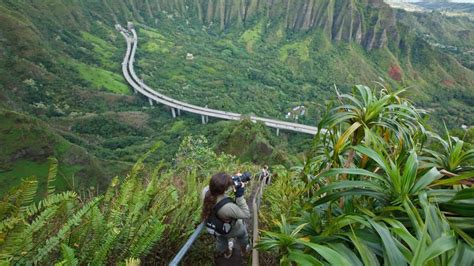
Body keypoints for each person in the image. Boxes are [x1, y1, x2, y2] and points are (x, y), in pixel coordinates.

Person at [201, 172, 250, 259]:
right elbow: (246, 213)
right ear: (224, 189)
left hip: (217, 227)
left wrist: (230, 180)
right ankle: (243, 252)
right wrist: (239, 196)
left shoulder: (205, 191)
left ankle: (227, 253)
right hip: (233, 229)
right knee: (243, 235)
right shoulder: (227, 207)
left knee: (221, 240)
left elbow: (218, 187)